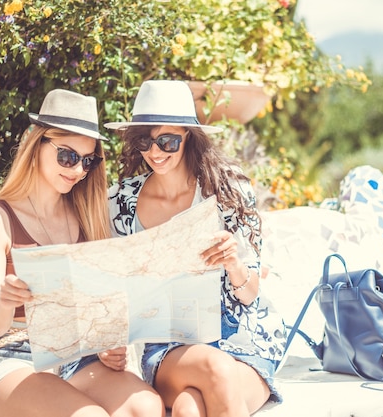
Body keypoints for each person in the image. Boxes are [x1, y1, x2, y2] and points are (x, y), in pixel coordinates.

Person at [0, 89, 165, 417]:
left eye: (87, 161)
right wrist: (5, 300)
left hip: (77, 359)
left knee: (147, 407)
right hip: (15, 358)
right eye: (67, 156)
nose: (77, 171)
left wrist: (107, 348)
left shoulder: (86, 215)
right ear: (37, 145)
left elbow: (98, 310)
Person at [104, 80, 287, 417]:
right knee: (215, 369)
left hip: (242, 339)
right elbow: (111, 284)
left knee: (190, 407)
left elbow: (249, 295)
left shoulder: (228, 189)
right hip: (170, 346)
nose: (155, 152)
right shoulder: (119, 201)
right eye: (144, 141)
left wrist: (233, 263)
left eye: (167, 141)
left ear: (188, 135)